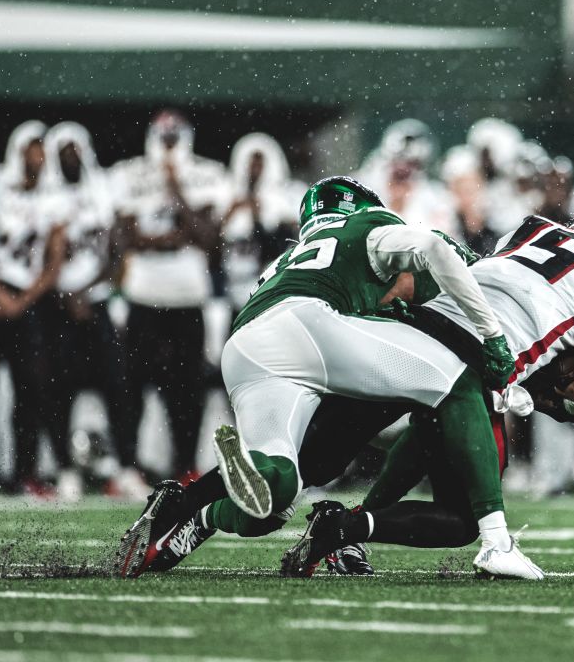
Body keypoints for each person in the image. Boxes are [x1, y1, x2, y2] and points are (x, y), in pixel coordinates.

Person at [116, 177, 538, 580]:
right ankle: (497, 539)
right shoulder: (367, 224)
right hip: (312, 325)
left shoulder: (287, 256)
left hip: (246, 346)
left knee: (275, 495)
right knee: (455, 381)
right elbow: (432, 247)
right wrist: (493, 334)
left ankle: (186, 506)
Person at [305, 194, 574, 573]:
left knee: (319, 459)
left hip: (416, 329)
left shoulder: (532, 230)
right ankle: (355, 528)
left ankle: (330, 521)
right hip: (474, 358)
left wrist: (556, 394)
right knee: (460, 519)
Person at [111, 110, 229, 484]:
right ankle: (130, 466)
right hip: (143, 294)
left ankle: (184, 467)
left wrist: (175, 188)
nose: (168, 145)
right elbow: (123, 236)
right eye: (162, 137)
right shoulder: (130, 173)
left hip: (188, 296)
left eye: (174, 137)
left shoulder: (208, 173)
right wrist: (168, 240)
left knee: (188, 390)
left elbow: (209, 238)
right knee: (133, 386)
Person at [0, 120, 70, 497]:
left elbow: (55, 262)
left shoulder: (55, 198)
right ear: (17, 148)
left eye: (43, 149)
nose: (38, 156)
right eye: (32, 147)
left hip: (29, 301)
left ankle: (25, 472)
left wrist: (20, 301)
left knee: (32, 392)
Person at [42, 121, 126, 502]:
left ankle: (124, 466)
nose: (71, 158)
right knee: (58, 390)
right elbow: (36, 257)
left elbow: (116, 252)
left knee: (117, 386)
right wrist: (66, 294)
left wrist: (86, 291)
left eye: (76, 150)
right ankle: (64, 468)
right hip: (57, 306)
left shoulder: (104, 190)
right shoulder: (43, 197)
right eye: (63, 151)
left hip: (97, 302)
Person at [221, 133, 303, 318]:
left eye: (259, 163)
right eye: (250, 162)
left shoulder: (287, 195)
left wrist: (259, 214)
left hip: (272, 286)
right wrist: (232, 211)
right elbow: (214, 240)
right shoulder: (227, 192)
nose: (254, 169)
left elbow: (282, 240)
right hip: (233, 285)